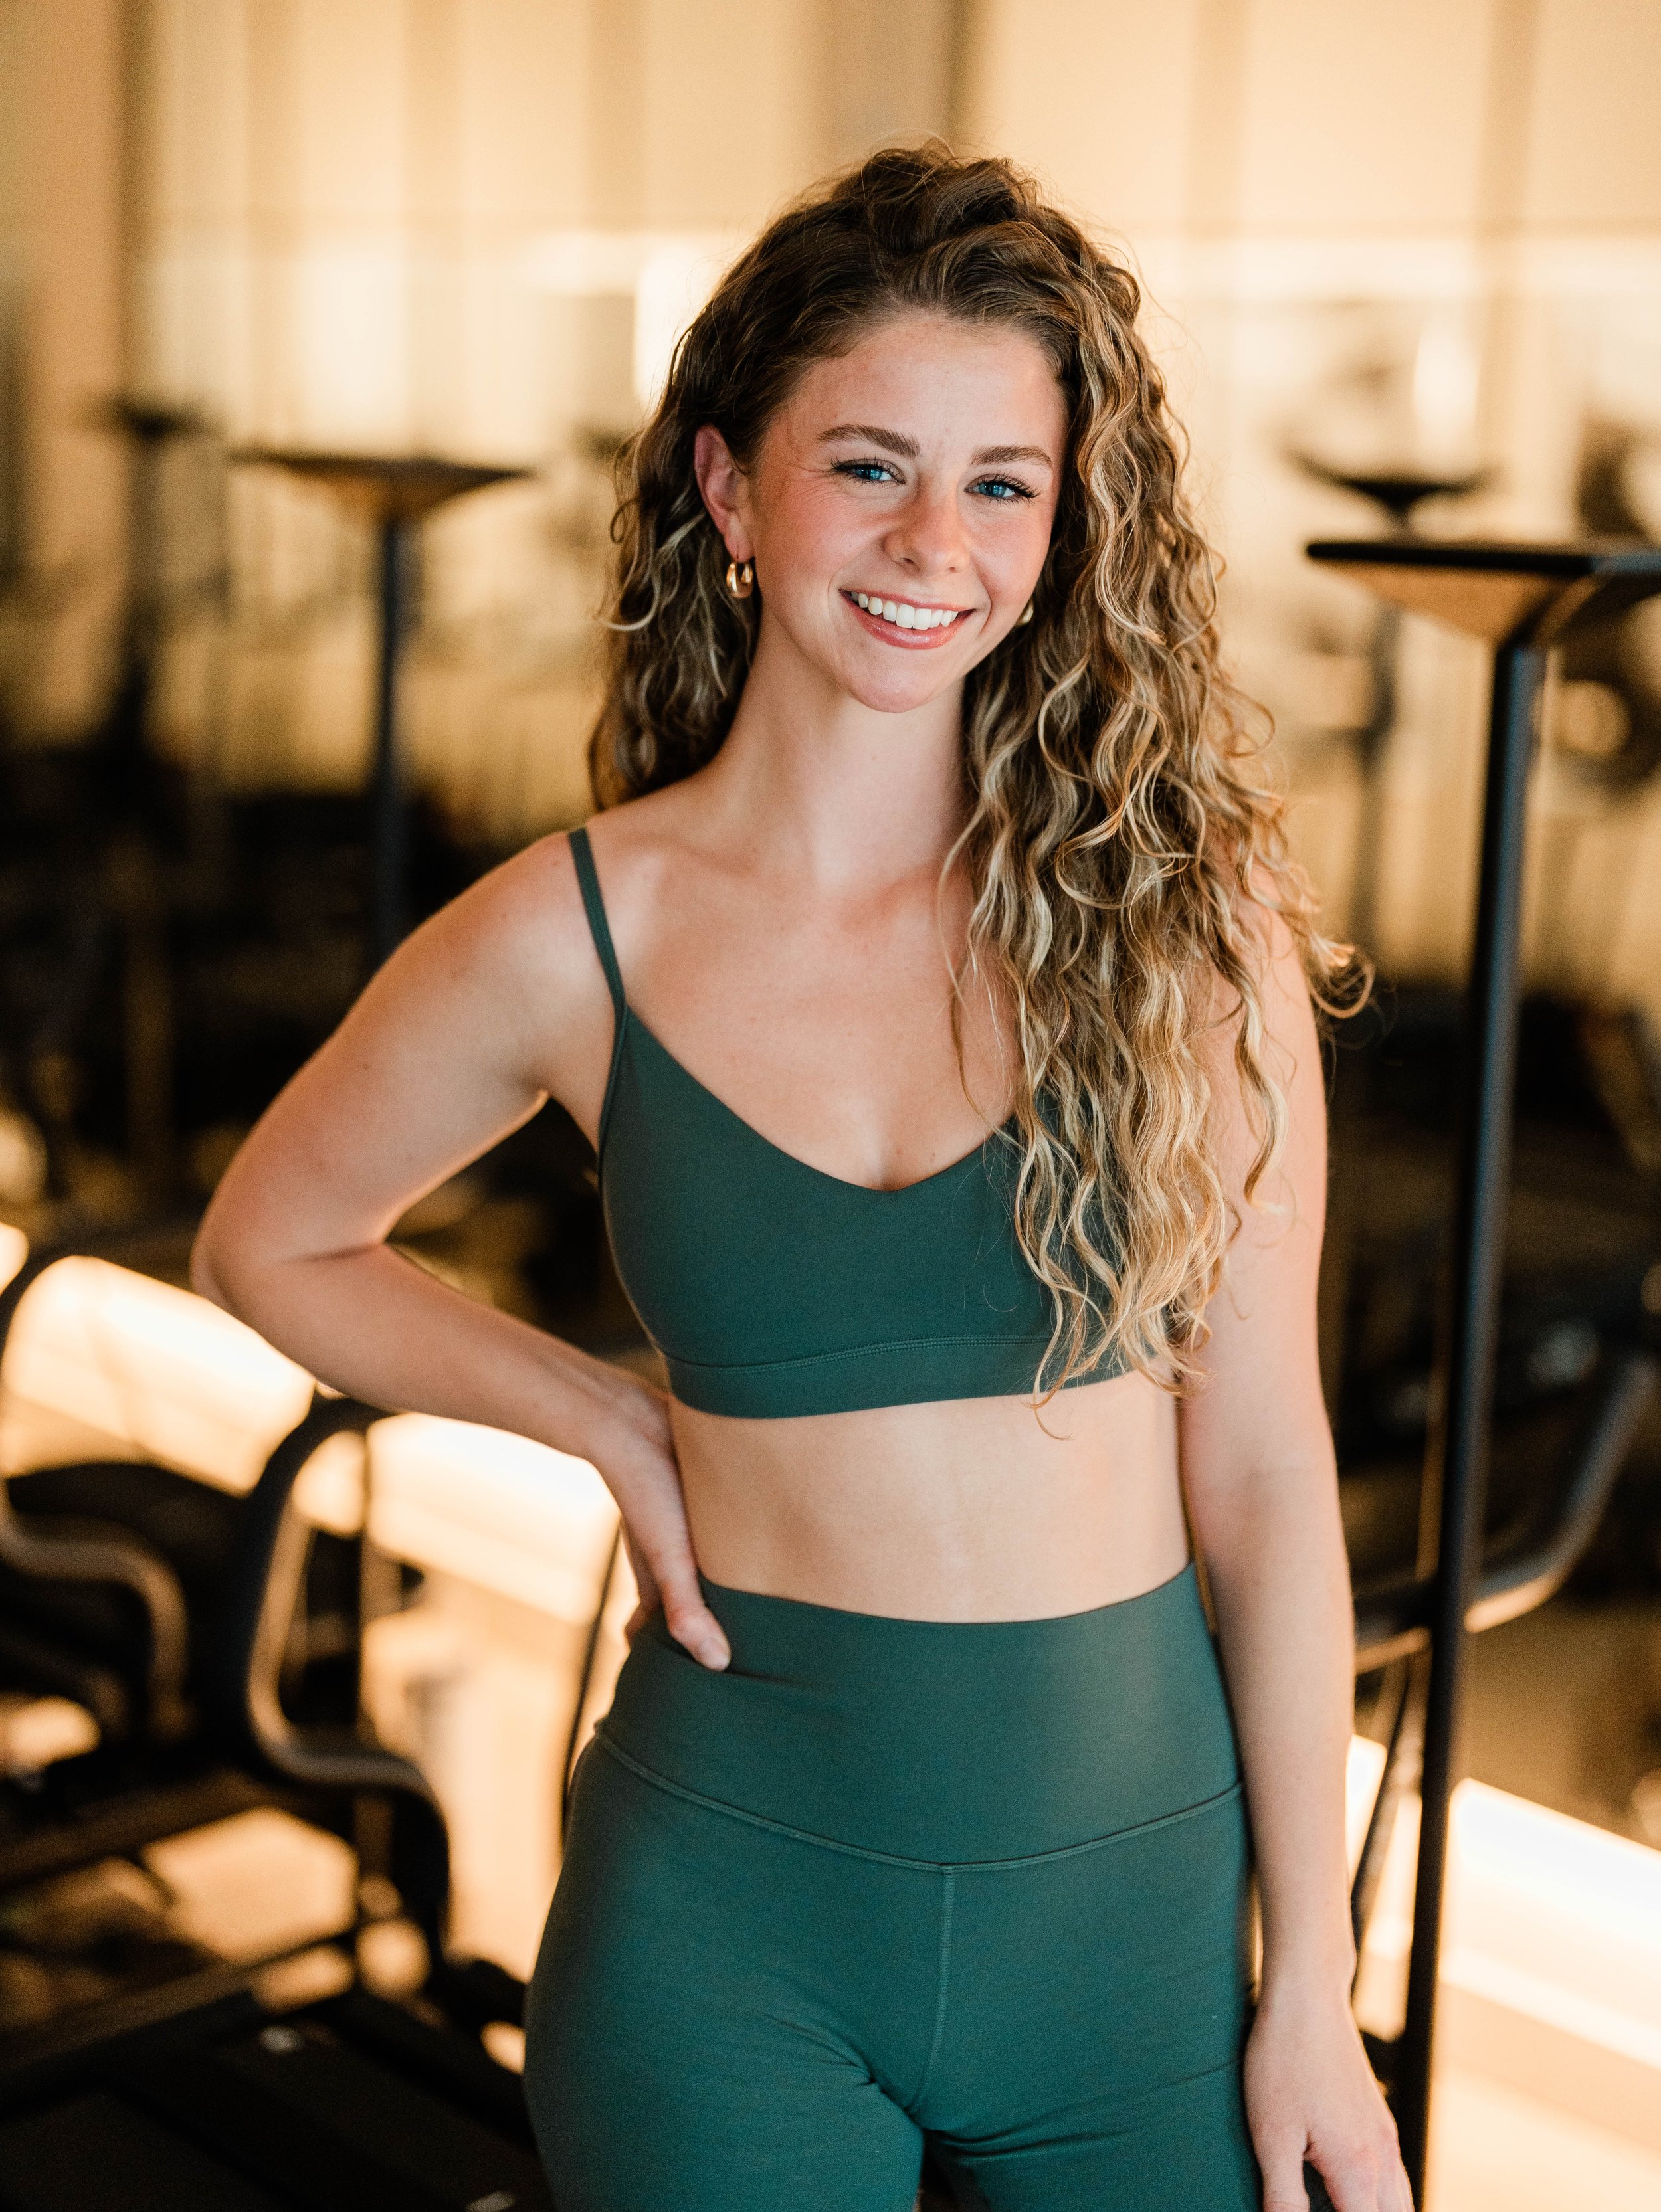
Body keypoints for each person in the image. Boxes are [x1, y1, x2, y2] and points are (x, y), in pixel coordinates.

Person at [194, 146, 1409, 2212]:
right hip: (726, 1927)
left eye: (1002, 482)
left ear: (1062, 530)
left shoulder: (1183, 927)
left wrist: (1317, 1983)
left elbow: (1268, 1476)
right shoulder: (576, 928)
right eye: (866, 464)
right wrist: (594, 1412)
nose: (934, 540)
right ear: (730, 489)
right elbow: (271, 1239)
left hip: (1134, 1949)